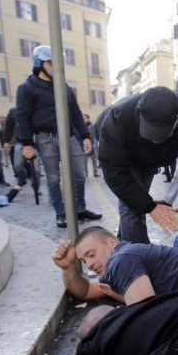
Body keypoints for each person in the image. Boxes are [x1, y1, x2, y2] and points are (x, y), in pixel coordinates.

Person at [95, 86, 178, 243]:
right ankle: (139, 260)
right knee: (133, 207)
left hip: (150, 160)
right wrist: (151, 207)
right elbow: (115, 173)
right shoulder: (119, 118)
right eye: (150, 132)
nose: (153, 139)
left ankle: (124, 249)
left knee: (136, 202)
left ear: (176, 121)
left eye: (159, 134)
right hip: (124, 157)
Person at [15, 45, 102, 228]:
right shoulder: (26, 88)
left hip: (69, 137)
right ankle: (61, 213)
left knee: (79, 175)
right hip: (45, 138)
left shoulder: (64, 88)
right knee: (53, 178)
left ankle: (80, 209)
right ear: (39, 63)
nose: (56, 66)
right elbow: (22, 116)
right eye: (51, 63)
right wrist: (27, 143)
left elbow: (76, 113)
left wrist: (85, 136)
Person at [82, 113, 99, 178]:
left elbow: (95, 135)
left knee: (94, 161)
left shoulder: (92, 126)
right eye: (83, 118)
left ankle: (95, 173)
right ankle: (85, 174)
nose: (83, 119)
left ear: (88, 119)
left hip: (93, 147)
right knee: (84, 162)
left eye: (85, 118)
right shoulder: (81, 127)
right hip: (84, 148)